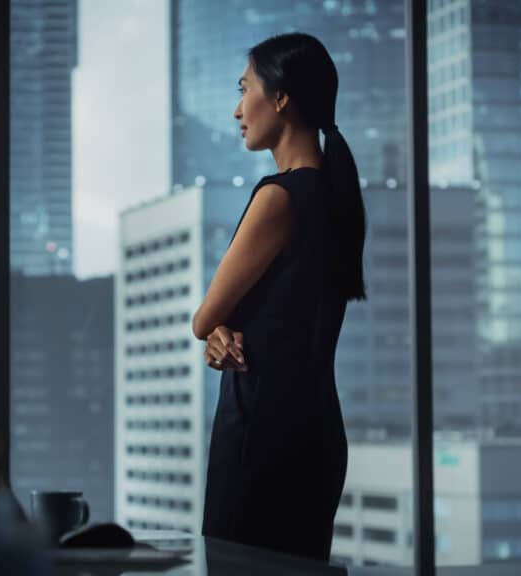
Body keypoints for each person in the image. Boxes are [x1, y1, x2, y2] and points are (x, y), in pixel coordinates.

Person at [191, 31, 368, 563]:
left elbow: (204, 319)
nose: (237, 108)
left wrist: (215, 330)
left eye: (245, 88)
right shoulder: (334, 197)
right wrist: (225, 334)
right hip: (315, 432)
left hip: (261, 432)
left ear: (281, 97)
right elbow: (282, 315)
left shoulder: (279, 197)